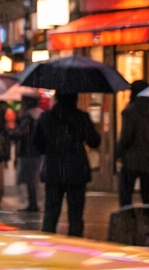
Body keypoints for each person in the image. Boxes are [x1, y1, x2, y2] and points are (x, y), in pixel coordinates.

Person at [34, 92, 101, 236]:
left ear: (57, 97)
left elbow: (37, 145)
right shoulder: (81, 117)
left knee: (50, 214)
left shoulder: (45, 118)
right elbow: (95, 141)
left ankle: (47, 246)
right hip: (76, 170)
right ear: (75, 99)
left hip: (53, 169)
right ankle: (75, 247)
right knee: (76, 216)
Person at [116, 80, 149, 207]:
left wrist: (119, 155)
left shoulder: (129, 111)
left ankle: (129, 221)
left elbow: (126, 138)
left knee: (126, 197)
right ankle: (148, 224)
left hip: (131, 161)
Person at [12, 94, 44, 212]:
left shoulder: (27, 116)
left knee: (27, 178)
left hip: (26, 151)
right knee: (33, 178)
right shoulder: (40, 114)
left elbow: (22, 133)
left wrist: (13, 132)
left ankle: (32, 203)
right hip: (37, 151)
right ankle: (33, 202)